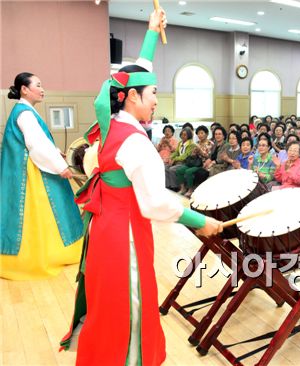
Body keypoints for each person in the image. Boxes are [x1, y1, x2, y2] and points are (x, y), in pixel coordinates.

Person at [59, 10, 222, 365]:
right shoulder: (136, 143)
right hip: (126, 237)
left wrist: (150, 34)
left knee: (108, 304)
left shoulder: (108, 123)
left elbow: (130, 75)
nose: (156, 99)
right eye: (152, 93)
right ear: (132, 96)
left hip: (104, 230)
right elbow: (153, 204)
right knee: (130, 306)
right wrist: (198, 220)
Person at [0, 72, 83, 280]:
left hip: (24, 170)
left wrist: (55, 151)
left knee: (27, 215)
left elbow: (39, 141)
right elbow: (36, 144)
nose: (42, 88)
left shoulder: (23, 111)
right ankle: (43, 255)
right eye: (38, 85)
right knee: (41, 213)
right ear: (24, 89)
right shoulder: (25, 113)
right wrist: (59, 165)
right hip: (31, 173)